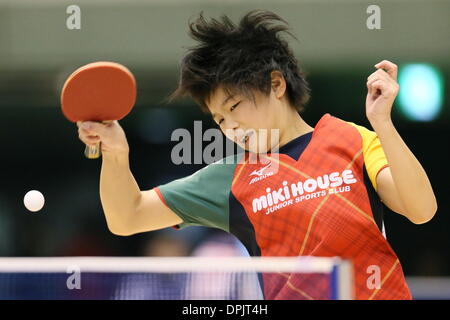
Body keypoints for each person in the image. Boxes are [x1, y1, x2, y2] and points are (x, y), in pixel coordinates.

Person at [77, 10, 437, 300]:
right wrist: (115, 153)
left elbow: (420, 210)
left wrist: (382, 124)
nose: (230, 125)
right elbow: (127, 217)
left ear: (276, 84)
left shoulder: (352, 138)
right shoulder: (230, 178)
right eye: (219, 118)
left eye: (235, 105)